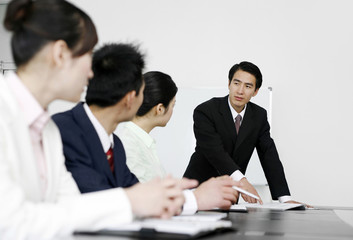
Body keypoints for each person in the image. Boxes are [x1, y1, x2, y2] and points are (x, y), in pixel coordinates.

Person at [0, 1, 193, 239]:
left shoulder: (47, 129)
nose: (92, 73)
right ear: (60, 54)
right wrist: (130, 200)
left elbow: (72, 205)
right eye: (88, 55)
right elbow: (10, 223)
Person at [53, 47, 239, 213]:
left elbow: (134, 190)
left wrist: (181, 194)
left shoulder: (114, 145)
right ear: (130, 99)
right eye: (143, 93)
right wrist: (193, 198)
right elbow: (97, 198)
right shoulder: (63, 130)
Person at [183, 61, 303, 205]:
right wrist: (242, 181)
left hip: (229, 196)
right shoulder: (206, 111)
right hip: (197, 190)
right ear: (229, 84)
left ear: (256, 91)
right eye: (236, 83)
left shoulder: (259, 116)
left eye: (248, 86)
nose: (240, 91)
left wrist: (285, 199)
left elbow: (268, 154)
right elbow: (215, 151)